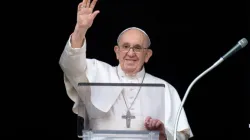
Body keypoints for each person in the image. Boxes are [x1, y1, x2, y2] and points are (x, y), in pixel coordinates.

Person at [59, 0, 193, 139]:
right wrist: (80, 29)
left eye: (137, 48)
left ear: (147, 55)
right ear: (117, 52)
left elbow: (181, 134)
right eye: (125, 46)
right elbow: (71, 65)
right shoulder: (98, 72)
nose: (130, 53)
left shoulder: (165, 89)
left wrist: (162, 134)